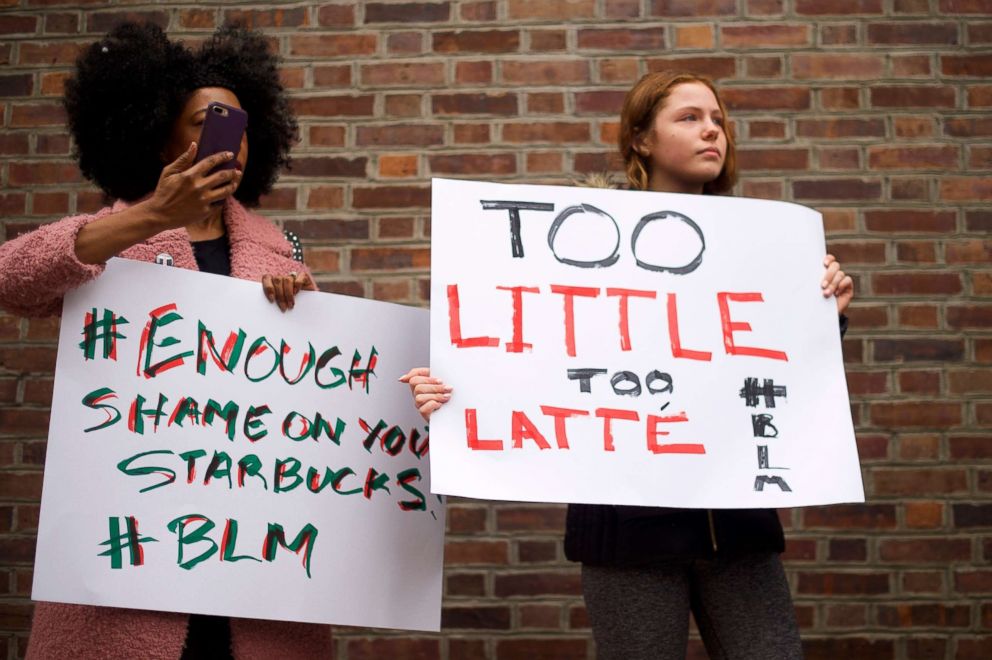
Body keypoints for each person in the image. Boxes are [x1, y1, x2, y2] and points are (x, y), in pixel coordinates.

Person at [403, 71, 854, 660]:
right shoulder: (579, 247)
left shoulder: (760, 249)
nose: (711, 130)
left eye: (717, 119)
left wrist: (824, 317)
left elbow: (769, 371)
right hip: (628, 535)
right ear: (641, 139)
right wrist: (451, 385)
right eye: (689, 118)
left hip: (738, 532)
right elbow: (524, 348)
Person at [0, 22, 329, 659]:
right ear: (159, 137)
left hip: (249, 563)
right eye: (208, 119)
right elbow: (13, 280)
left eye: (239, 123)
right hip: (135, 559)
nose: (227, 136)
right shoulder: (113, 233)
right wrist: (153, 215)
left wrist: (302, 308)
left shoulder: (277, 248)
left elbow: (313, 401)